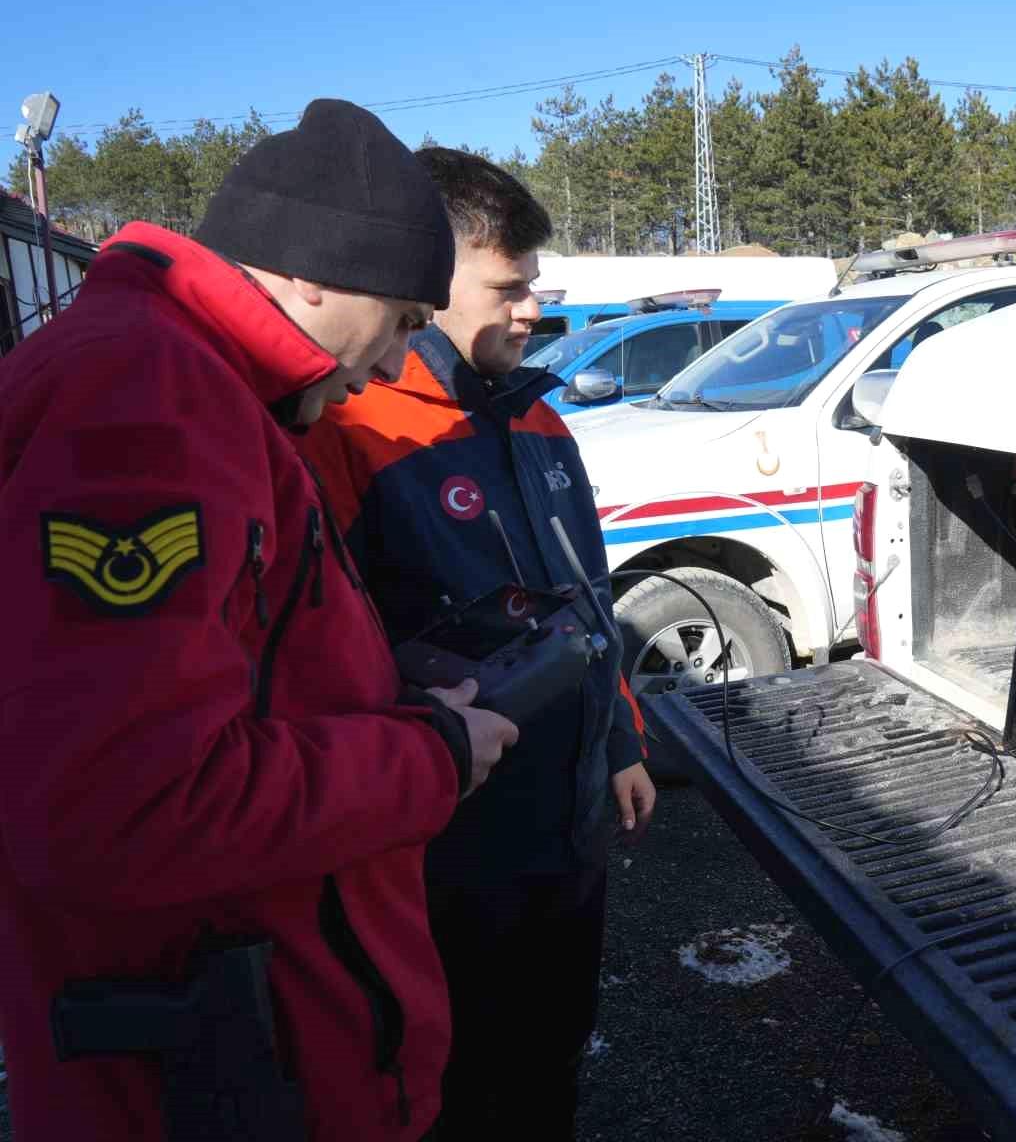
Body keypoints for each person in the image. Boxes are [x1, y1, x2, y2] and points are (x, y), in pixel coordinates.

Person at [0, 101, 519, 1142]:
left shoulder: (187, 382)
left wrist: (382, 693)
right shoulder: (146, 398)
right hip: (220, 1078)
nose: (392, 366)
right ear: (314, 275)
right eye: (407, 322)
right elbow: (126, 807)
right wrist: (430, 756)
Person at [297, 147, 656, 1138]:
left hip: (567, 830)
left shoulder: (540, 420)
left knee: (549, 1066)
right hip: (439, 853)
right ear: (427, 275)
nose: (532, 310)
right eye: (509, 287)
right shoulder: (348, 429)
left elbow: (590, 601)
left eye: (535, 287)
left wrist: (622, 742)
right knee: (449, 1090)